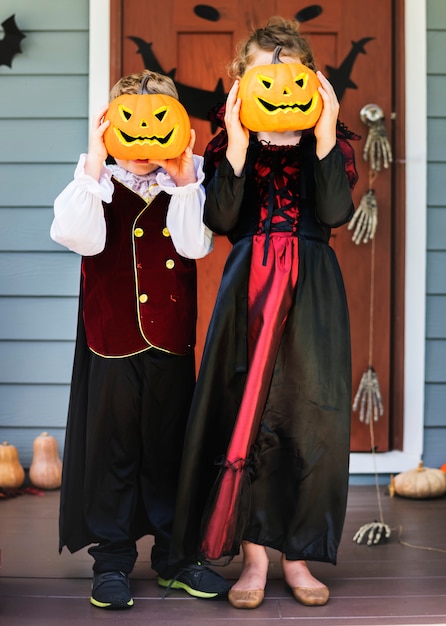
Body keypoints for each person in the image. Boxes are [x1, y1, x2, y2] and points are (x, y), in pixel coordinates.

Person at [171, 17, 359, 610]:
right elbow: (222, 220)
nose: (276, 85)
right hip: (249, 286)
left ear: (310, 81)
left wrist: (325, 134)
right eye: (262, 73)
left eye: (288, 73)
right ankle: (252, 556)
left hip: (313, 288)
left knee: (307, 416)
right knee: (245, 412)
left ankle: (296, 557)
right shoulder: (230, 145)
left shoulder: (330, 142)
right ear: (240, 81)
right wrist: (236, 138)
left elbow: (333, 211)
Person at [51, 70, 230, 610]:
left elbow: (196, 246)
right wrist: (92, 158)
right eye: (130, 124)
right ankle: (112, 560)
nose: (144, 140)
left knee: (171, 445)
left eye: (159, 123)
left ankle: (177, 557)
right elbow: (77, 237)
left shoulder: (190, 179)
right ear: (109, 126)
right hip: (111, 338)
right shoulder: (93, 179)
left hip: (169, 340)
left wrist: (183, 180)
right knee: (113, 446)